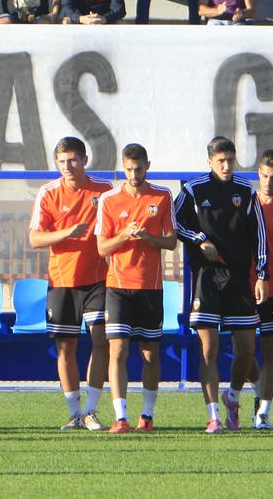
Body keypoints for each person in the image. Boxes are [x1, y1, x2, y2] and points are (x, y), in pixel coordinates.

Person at [174, 136, 265, 433]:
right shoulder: (194, 189)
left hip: (239, 279)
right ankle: (213, 416)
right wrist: (200, 240)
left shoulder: (245, 190)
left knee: (247, 350)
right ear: (210, 161)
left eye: (230, 160)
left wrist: (262, 274)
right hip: (207, 278)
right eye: (220, 161)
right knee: (208, 350)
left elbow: (259, 236)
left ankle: (233, 397)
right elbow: (174, 222)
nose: (226, 166)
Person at [30, 136, 112, 430]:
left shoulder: (103, 190)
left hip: (98, 280)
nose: (68, 166)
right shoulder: (48, 193)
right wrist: (66, 233)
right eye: (62, 161)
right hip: (62, 281)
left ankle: (91, 410)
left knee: (101, 340)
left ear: (84, 160)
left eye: (73, 160)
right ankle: (75, 412)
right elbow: (35, 238)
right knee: (66, 348)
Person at [92, 142, 174, 433]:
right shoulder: (109, 200)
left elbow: (171, 241)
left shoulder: (162, 196)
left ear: (147, 166)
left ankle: (147, 416)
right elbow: (102, 247)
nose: (134, 174)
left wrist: (149, 238)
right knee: (117, 350)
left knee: (150, 354)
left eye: (138, 168)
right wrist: (126, 235)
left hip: (150, 288)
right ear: (123, 168)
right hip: (118, 287)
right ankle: (121, 417)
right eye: (128, 169)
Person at [243, 150, 273, 430]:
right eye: (264, 176)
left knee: (271, 352)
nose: (268, 182)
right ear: (258, 173)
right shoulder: (246, 204)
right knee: (245, 351)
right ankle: (259, 388)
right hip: (246, 290)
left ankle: (264, 412)